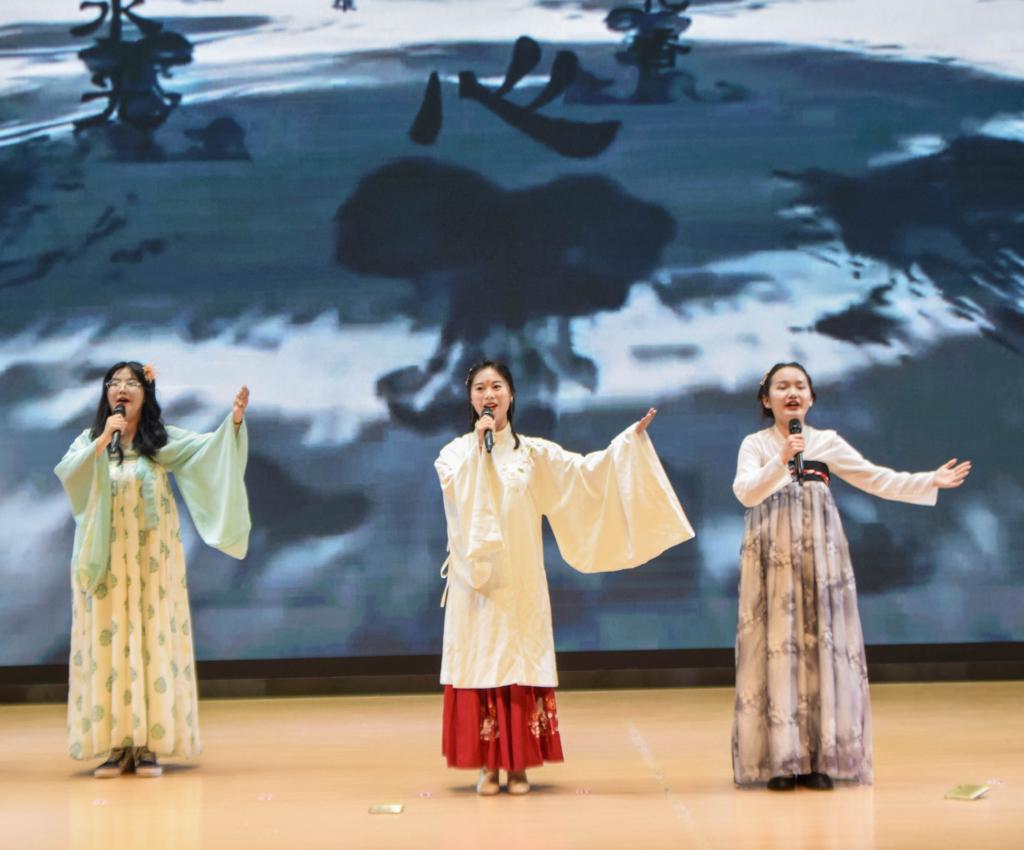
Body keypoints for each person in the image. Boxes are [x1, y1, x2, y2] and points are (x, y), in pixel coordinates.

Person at [435, 359, 694, 795]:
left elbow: (585, 476)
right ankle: (488, 767)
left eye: (497, 386)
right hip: (477, 584)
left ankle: (519, 766)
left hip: (520, 580)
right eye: (480, 388)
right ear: (470, 399)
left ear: (511, 395)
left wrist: (626, 446)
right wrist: (479, 449)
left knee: (519, 661)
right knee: (482, 662)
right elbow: (459, 500)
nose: (489, 395)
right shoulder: (453, 455)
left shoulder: (534, 454)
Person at [731, 362, 971, 790]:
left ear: (811, 398)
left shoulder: (826, 441)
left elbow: (875, 478)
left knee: (822, 648)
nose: (792, 392)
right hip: (773, 559)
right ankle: (782, 761)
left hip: (821, 560)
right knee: (777, 647)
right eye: (782, 386)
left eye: (800, 386)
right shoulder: (755, 444)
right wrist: (781, 461)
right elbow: (746, 492)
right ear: (766, 399)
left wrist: (928, 481)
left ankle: (819, 760)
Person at [55, 361, 251, 778]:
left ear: (145, 394)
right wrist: (103, 440)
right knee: (108, 645)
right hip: (105, 565)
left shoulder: (159, 442)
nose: (121, 389)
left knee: (150, 642)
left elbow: (209, 452)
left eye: (131, 383)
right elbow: (70, 474)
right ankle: (115, 746)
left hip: (150, 568)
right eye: (114, 383)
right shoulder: (91, 440)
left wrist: (233, 422)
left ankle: (147, 746)